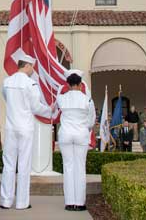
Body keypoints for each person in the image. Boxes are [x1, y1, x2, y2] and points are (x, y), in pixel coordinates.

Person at [0, 57, 52, 210]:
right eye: (32, 67)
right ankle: (22, 202)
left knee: (8, 164)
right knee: (24, 165)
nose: (33, 70)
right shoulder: (31, 84)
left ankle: (5, 201)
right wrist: (50, 109)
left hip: (11, 127)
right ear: (27, 65)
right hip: (26, 128)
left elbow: (6, 98)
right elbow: (36, 107)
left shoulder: (6, 82)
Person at [57, 70, 95, 212]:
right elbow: (91, 121)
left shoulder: (62, 98)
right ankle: (79, 202)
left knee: (68, 167)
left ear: (68, 84)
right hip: (80, 134)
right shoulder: (87, 99)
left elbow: (58, 98)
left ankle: (69, 202)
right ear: (80, 85)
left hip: (65, 134)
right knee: (80, 167)